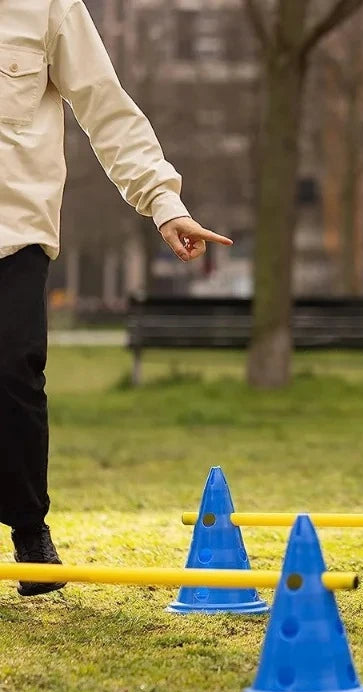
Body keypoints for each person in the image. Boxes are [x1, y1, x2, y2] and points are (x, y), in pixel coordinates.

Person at [1, 1, 233, 596]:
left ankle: (29, 528)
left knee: (15, 372)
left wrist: (163, 203)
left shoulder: (47, 7)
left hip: (13, 232)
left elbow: (106, 107)